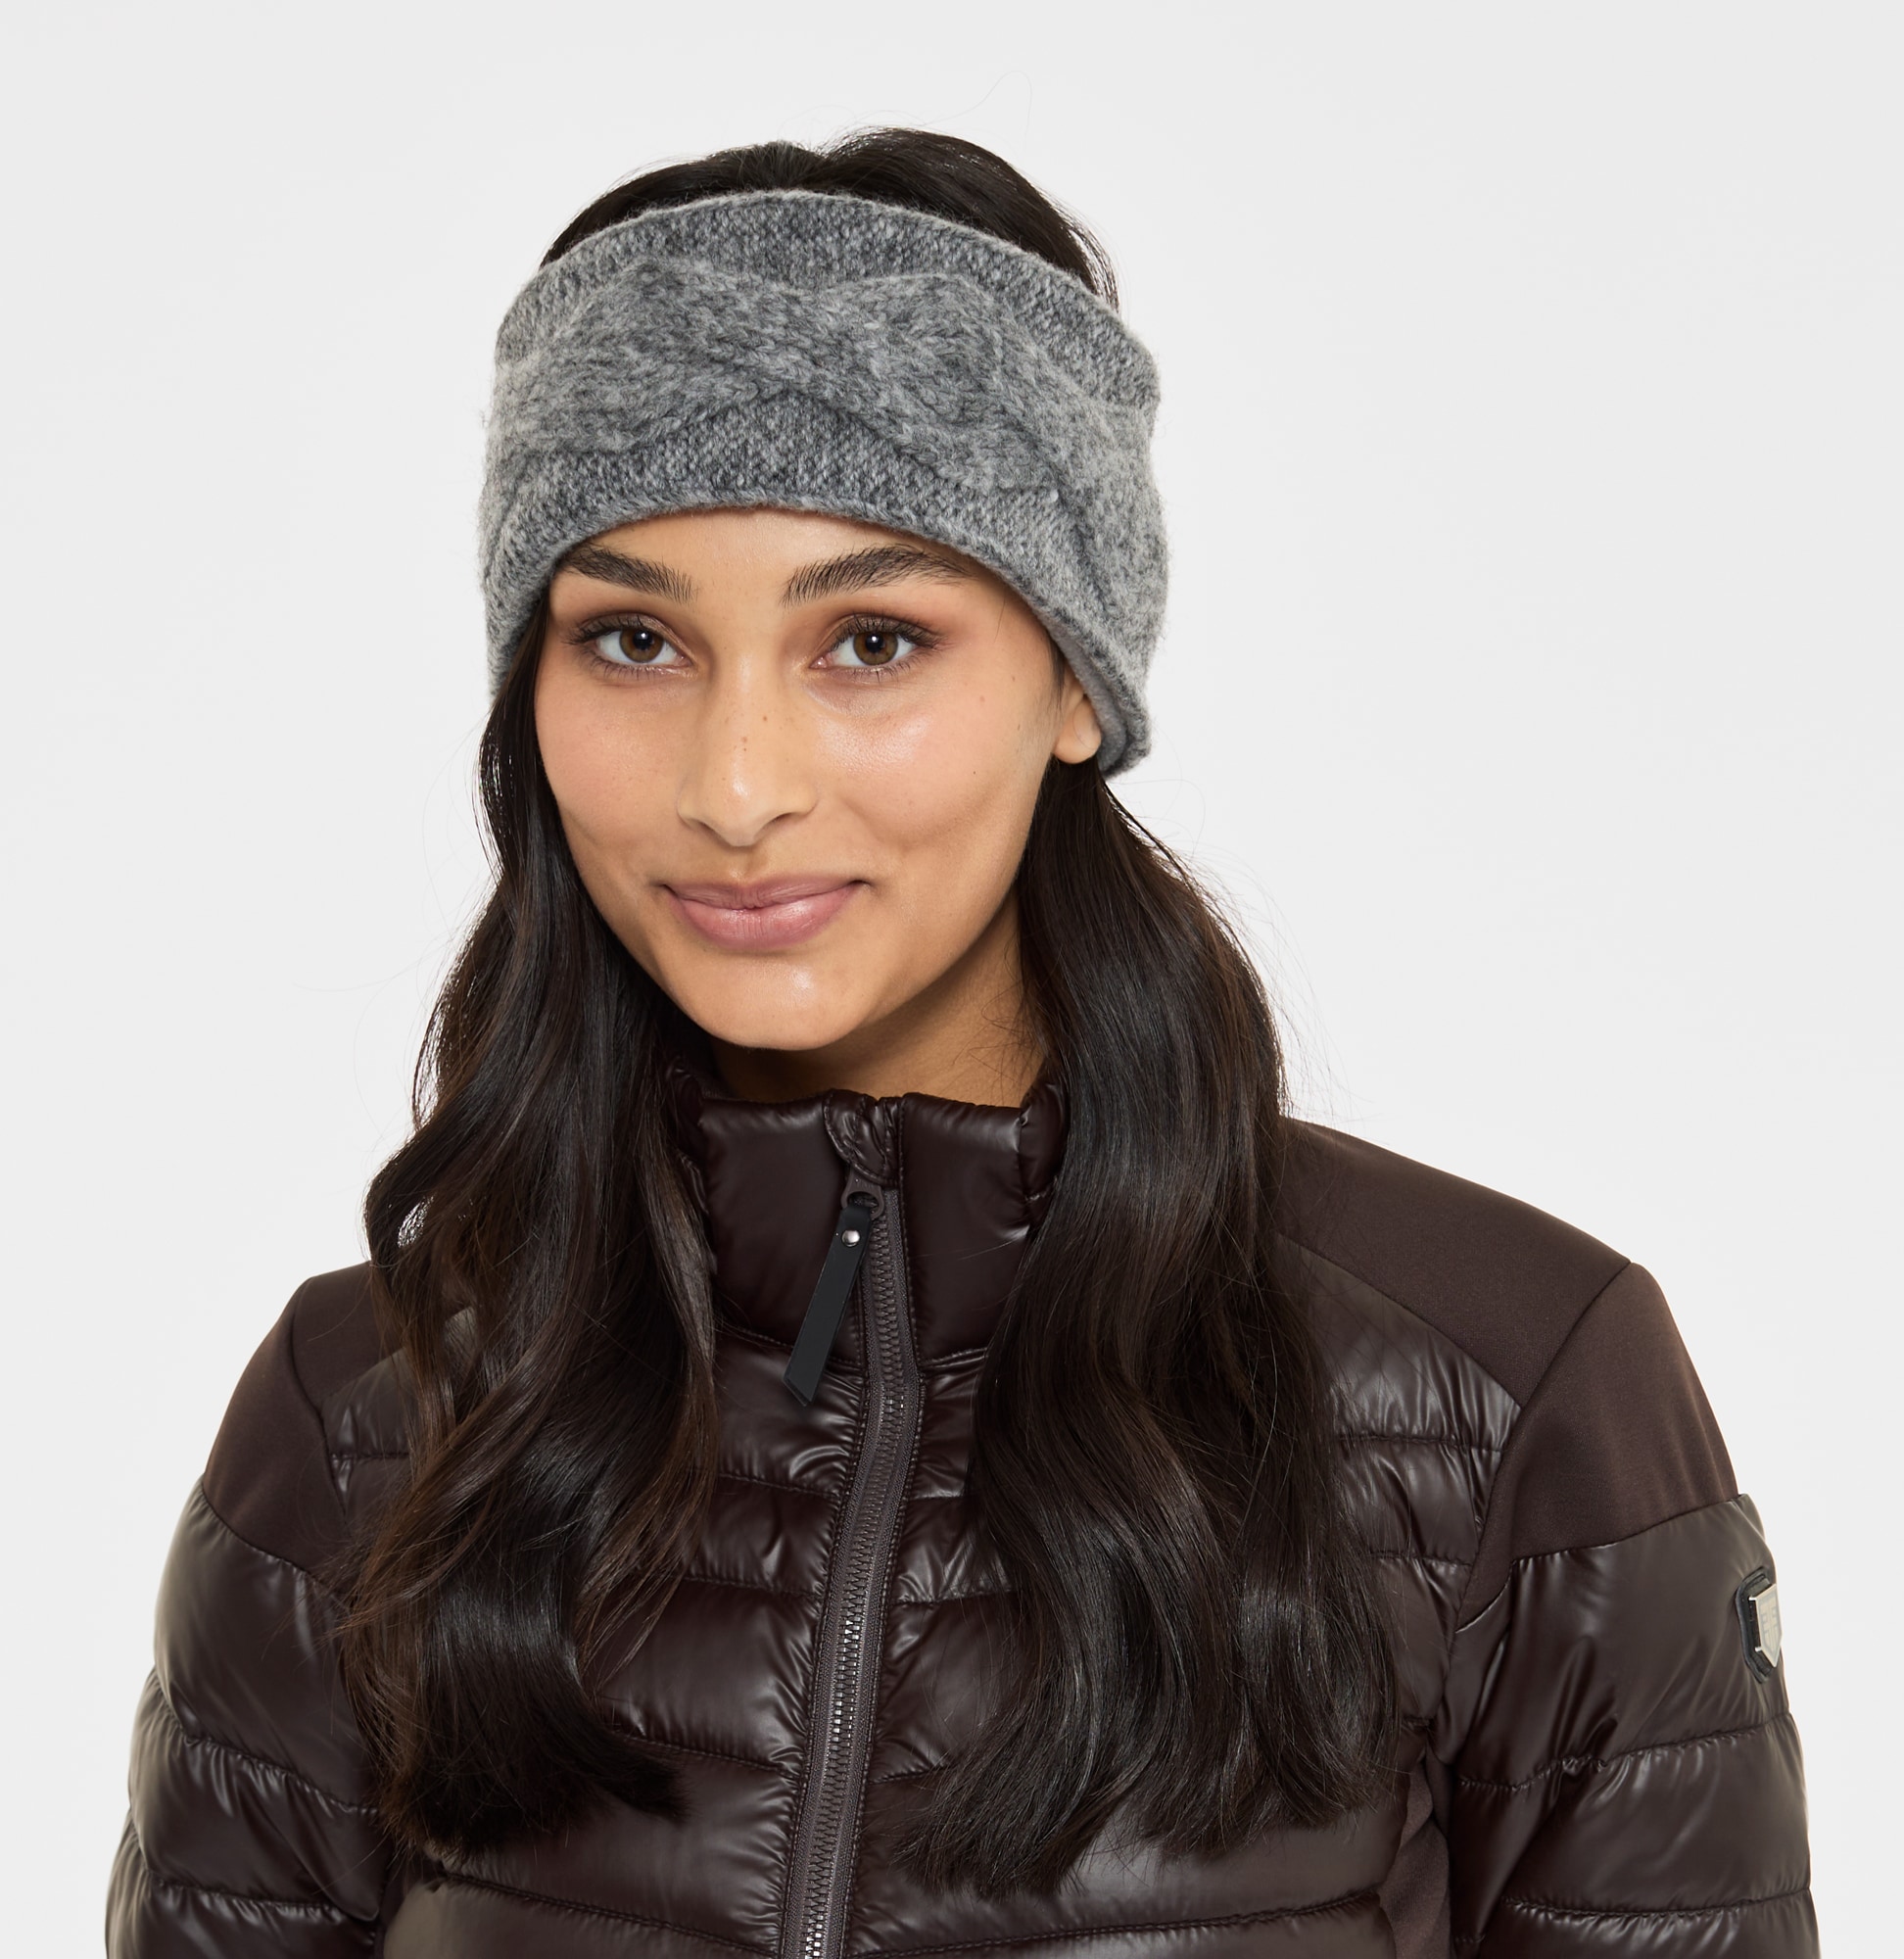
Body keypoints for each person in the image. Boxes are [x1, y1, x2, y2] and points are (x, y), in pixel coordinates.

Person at [106, 129, 1816, 1958]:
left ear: (1077, 678)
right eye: (631, 640)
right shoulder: (369, 1412)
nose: (736, 788)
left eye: (871, 641)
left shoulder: (1509, 1390)